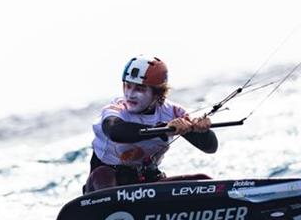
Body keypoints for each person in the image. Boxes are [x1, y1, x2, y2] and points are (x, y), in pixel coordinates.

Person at [83, 55, 217, 194]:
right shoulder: (116, 109)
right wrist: (164, 129)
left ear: (158, 93)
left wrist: (201, 129)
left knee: (203, 181)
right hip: (105, 184)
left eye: (139, 89)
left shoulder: (173, 112)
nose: (130, 94)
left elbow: (210, 147)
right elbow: (115, 132)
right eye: (127, 86)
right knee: (103, 174)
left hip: (147, 184)